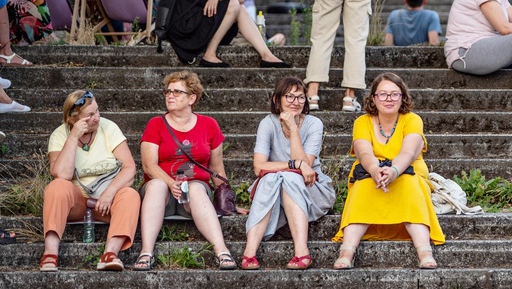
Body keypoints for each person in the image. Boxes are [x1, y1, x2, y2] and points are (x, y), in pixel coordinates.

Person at [333, 73, 444, 269]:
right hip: (372, 170)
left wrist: (393, 171)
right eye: (383, 94)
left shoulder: (412, 119)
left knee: (409, 184)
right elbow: (363, 152)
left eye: (394, 94)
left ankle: (424, 251)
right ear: (373, 99)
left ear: (403, 97)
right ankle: (347, 252)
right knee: (364, 186)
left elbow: (409, 152)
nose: (389, 99)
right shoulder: (363, 122)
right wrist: (376, 170)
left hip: (407, 170)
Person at [134, 71, 238, 271]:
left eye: (177, 92)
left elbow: (216, 168)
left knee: (197, 189)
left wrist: (228, 200)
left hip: (193, 192)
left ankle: (222, 251)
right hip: (161, 193)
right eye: (167, 91)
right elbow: (149, 166)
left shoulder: (209, 125)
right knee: (156, 185)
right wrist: (170, 183)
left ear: (192, 98)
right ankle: (146, 252)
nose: (170, 96)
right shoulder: (155, 124)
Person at [240, 76, 335, 270]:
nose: (295, 102)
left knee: (290, 177)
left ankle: (302, 252)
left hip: (311, 189)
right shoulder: (267, 123)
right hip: (274, 190)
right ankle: (249, 253)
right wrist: (295, 163)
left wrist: (293, 128)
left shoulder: (314, 123)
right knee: (270, 178)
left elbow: (305, 170)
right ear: (277, 100)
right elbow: (259, 167)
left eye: (300, 97)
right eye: (289, 97)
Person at [41, 90, 140, 272]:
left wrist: (109, 194)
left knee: (130, 195)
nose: (97, 118)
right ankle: (50, 254)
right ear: (73, 119)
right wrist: (73, 137)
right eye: (90, 115)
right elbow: (61, 174)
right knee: (57, 187)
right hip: (75, 203)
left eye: (97, 111)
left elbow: (129, 168)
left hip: (106, 203)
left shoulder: (109, 127)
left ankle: (110, 254)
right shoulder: (59, 135)